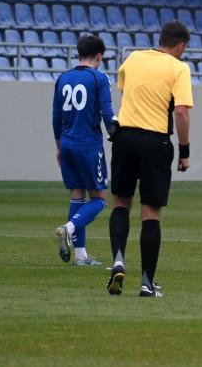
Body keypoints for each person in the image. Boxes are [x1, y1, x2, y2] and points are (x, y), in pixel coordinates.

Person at [105, 21, 193, 298]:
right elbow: (180, 112)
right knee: (150, 213)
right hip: (155, 141)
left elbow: (125, 90)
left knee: (120, 202)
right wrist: (185, 150)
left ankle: (118, 259)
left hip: (125, 137)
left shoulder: (133, 58)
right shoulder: (179, 68)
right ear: (180, 46)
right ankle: (146, 283)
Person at [53, 34, 115, 266]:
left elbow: (56, 116)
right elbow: (107, 112)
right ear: (99, 56)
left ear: (79, 54)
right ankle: (68, 228)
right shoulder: (99, 78)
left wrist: (59, 146)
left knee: (77, 197)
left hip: (67, 143)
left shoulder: (63, 78)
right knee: (100, 199)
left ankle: (80, 256)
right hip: (88, 144)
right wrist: (115, 134)